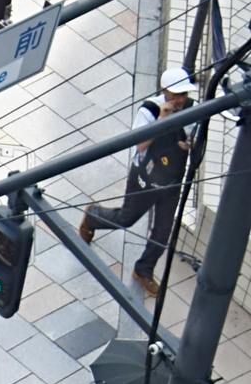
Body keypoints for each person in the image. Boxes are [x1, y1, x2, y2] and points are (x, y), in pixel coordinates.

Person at [82, 70, 201, 302]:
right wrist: (162, 120)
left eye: (183, 94)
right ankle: (93, 216)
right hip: (145, 179)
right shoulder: (149, 111)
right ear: (165, 91)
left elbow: (192, 138)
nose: (180, 99)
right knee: (127, 218)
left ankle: (144, 269)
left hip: (172, 180)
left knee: (163, 232)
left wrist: (189, 145)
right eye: (175, 94)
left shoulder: (191, 109)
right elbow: (140, 145)